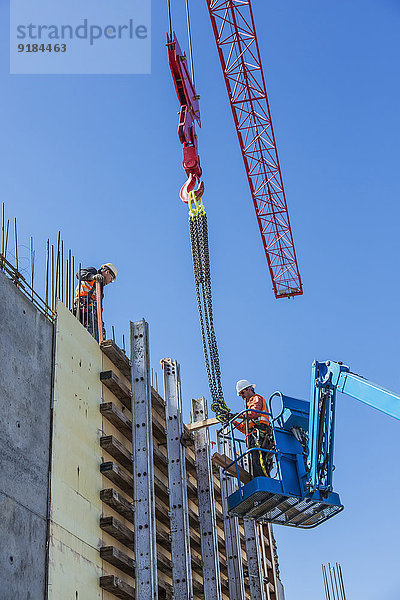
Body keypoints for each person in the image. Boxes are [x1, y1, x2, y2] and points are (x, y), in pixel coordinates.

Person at [234, 379, 275, 477]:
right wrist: (233, 421)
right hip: (253, 436)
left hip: (260, 433)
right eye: (240, 395)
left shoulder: (256, 398)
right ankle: (259, 481)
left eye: (242, 393)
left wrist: (237, 415)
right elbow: (244, 429)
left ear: (249, 389)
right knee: (255, 461)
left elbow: (254, 413)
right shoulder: (247, 410)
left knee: (259, 459)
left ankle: (264, 482)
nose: (242, 396)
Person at [73, 263, 117, 341]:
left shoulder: (100, 289)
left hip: (92, 314)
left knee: (99, 336)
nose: (110, 281)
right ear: (107, 272)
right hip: (83, 310)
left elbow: (98, 308)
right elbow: (79, 274)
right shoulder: (93, 272)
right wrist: (92, 277)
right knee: (90, 337)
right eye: (111, 278)